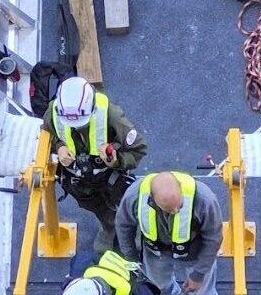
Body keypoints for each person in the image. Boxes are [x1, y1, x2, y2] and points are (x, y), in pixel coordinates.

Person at [43, 76, 148, 255]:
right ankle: (108, 227)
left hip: (110, 175)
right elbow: (46, 137)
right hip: (78, 181)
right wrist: (59, 147)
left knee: (126, 204)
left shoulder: (112, 115)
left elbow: (138, 149)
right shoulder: (53, 113)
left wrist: (116, 160)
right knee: (97, 208)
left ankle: (135, 232)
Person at [115, 171, 223, 294]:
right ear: (152, 199)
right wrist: (132, 259)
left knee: (204, 291)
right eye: (169, 209)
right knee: (158, 287)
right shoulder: (133, 197)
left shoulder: (204, 199)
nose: (176, 211)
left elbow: (213, 238)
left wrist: (199, 274)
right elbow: (124, 226)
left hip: (194, 250)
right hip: (156, 253)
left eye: (179, 205)